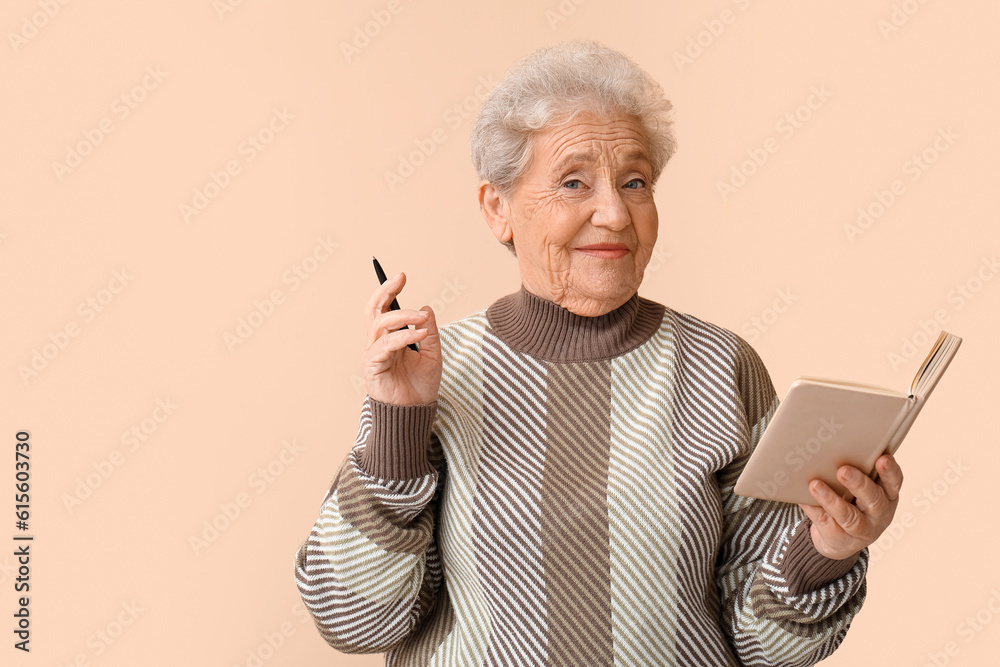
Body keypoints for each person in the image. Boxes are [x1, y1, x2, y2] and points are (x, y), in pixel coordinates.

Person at [294, 39, 903, 666]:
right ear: (497, 208)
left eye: (635, 181)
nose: (614, 213)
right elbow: (355, 621)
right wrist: (399, 420)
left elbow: (766, 649)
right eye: (573, 182)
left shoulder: (723, 367)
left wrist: (827, 550)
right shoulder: (435, 373)